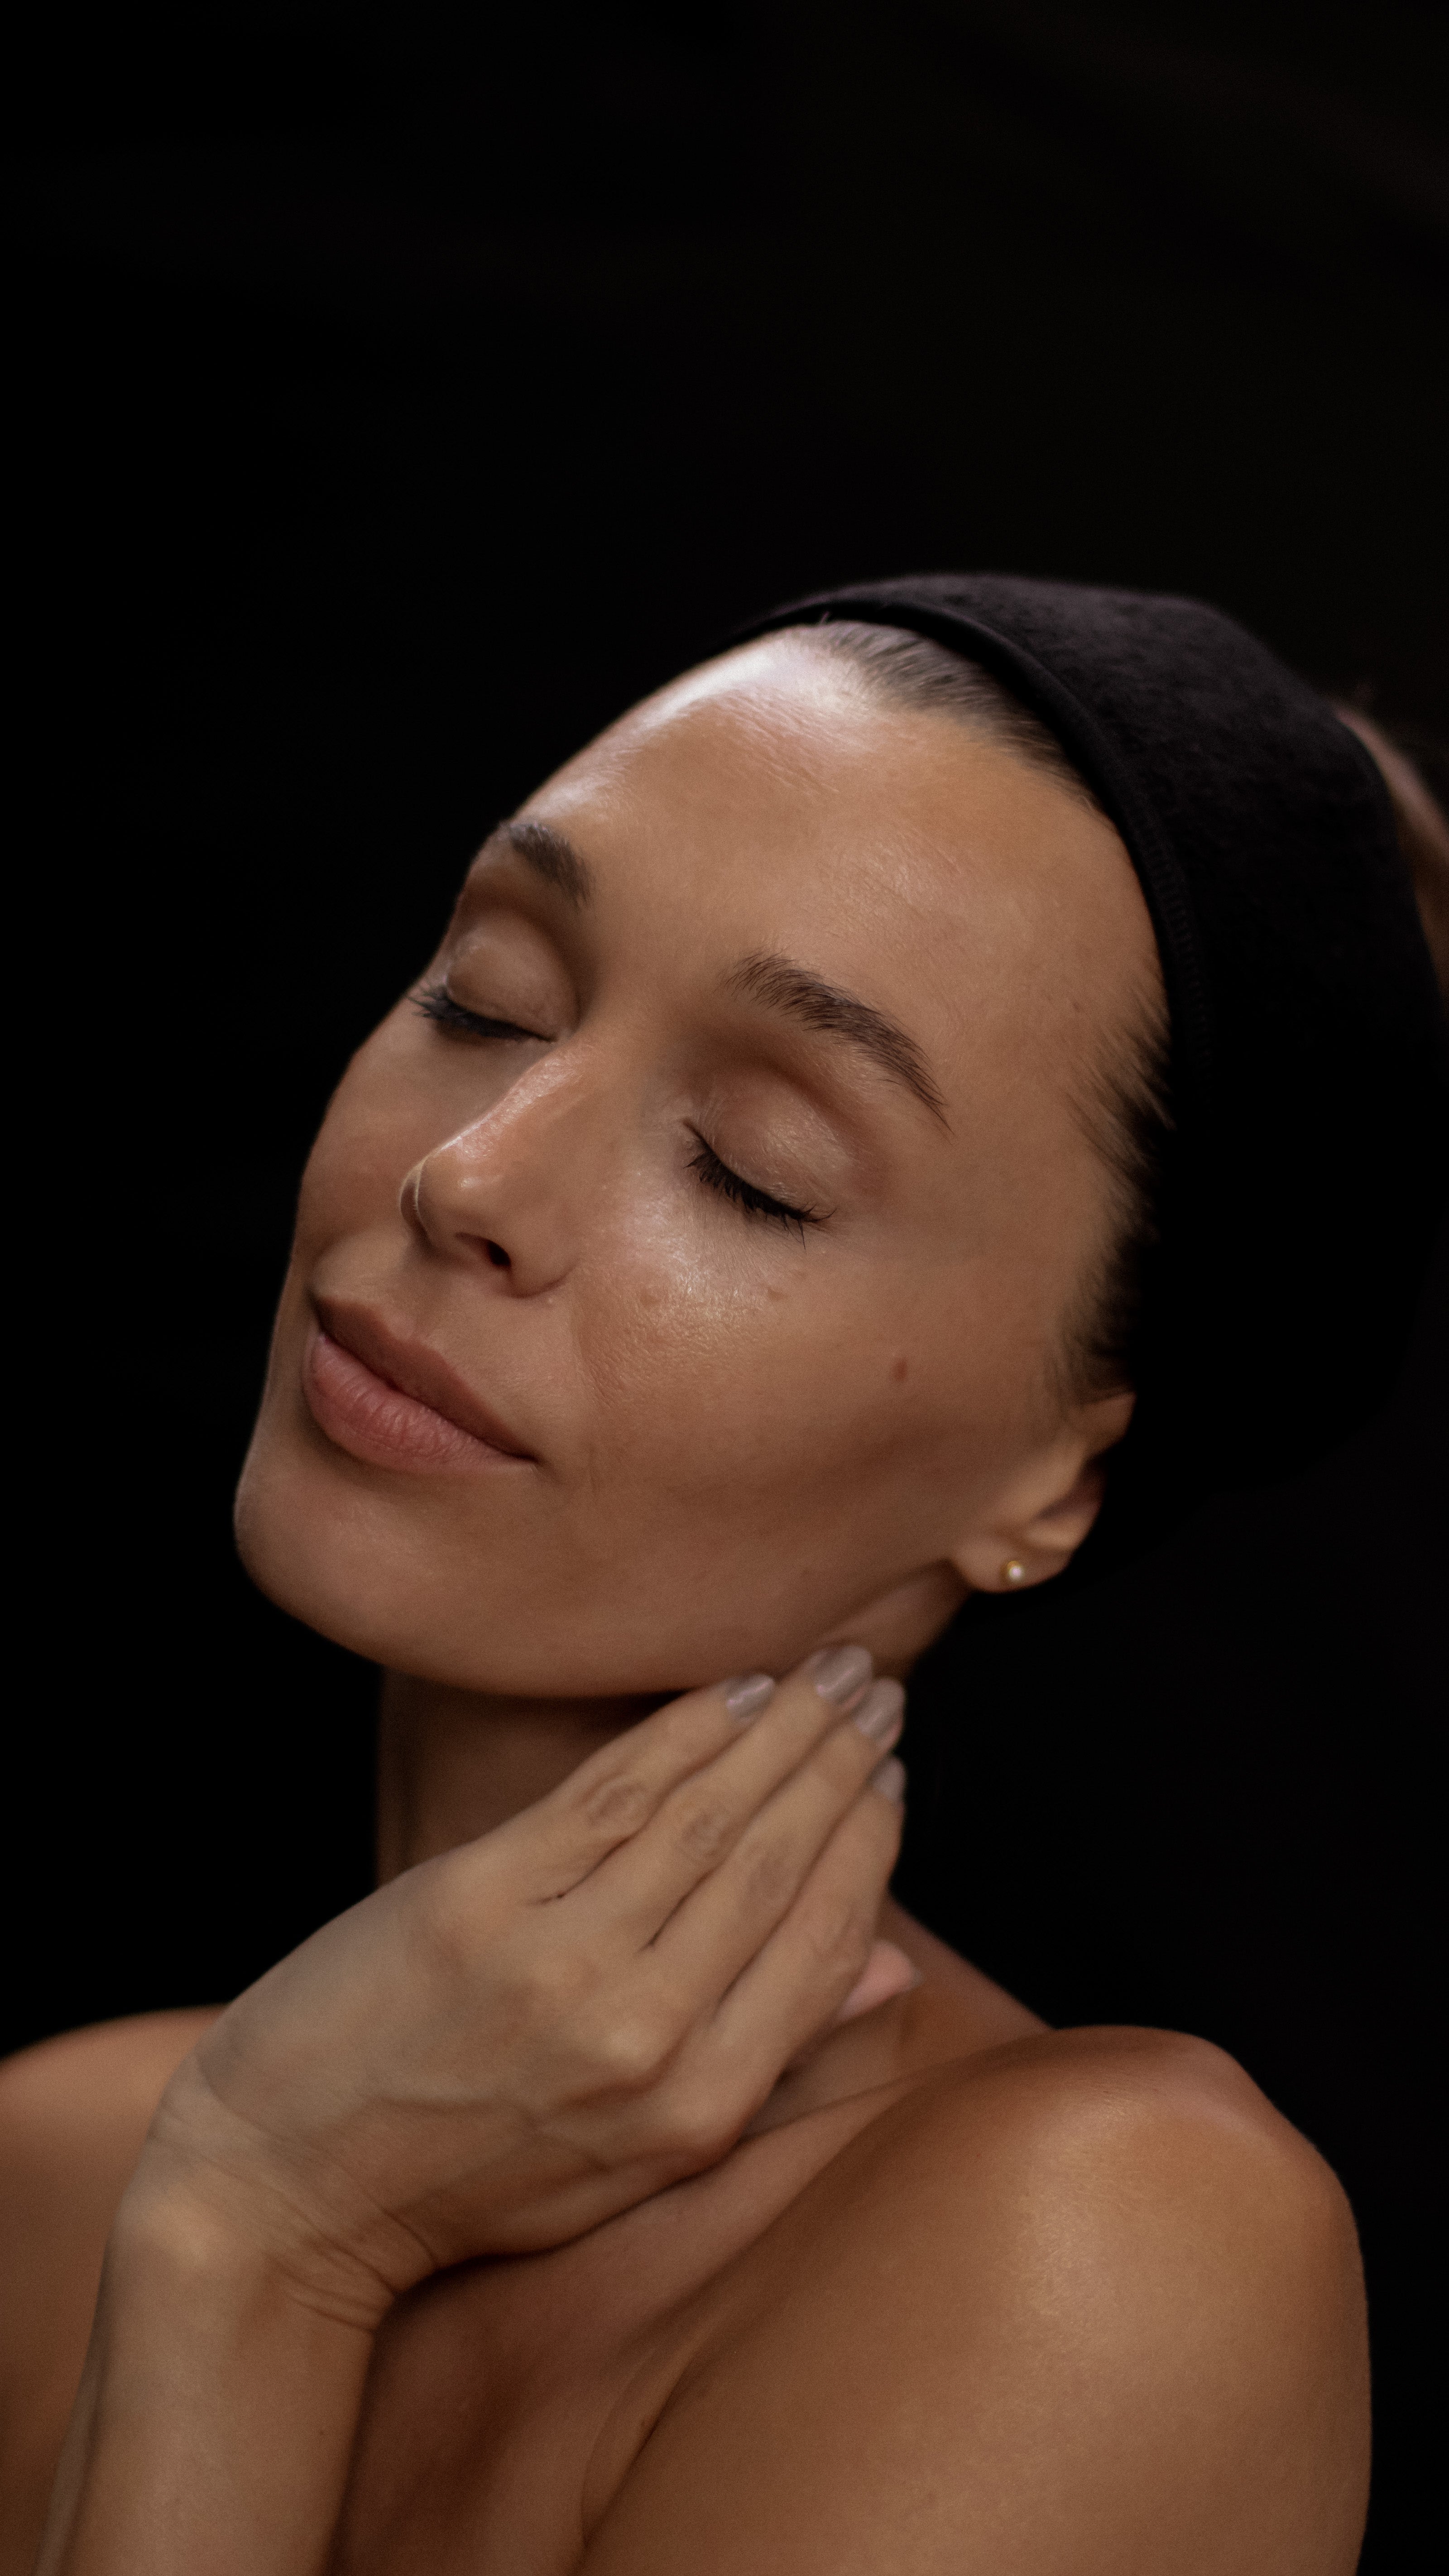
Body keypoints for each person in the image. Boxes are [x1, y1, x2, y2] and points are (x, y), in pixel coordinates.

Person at [4, 577, 1445, 2576]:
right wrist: (234, 2197)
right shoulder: (62, 2165)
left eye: (753, 1164)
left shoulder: (1098, 2248)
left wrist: (269, 2239)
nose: (470, 1178)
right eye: (485, 996)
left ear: (1054, 1457)